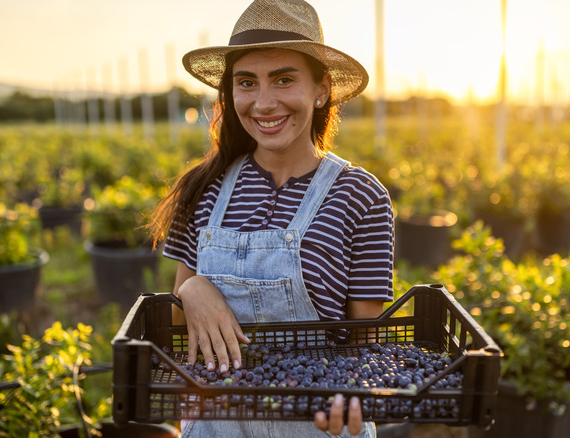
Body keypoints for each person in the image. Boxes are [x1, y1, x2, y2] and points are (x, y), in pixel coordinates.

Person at [148, 1, 394, 436]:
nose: (263, 103)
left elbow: (363, 343)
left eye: (283, 79)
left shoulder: (361, 195)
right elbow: (179, 332)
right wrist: (192, 288)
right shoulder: (203, 188)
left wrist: (352, 394)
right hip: (216, 422)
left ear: (322, 90)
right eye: (247, 82)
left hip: (316, 423)